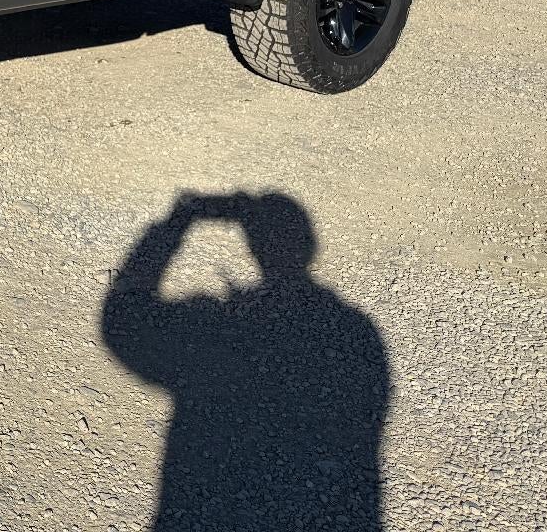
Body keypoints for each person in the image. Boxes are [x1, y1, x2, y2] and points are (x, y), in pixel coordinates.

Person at [101, 191, 390, 531]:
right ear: (309, 246)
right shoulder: (355, 335)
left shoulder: (218, 330)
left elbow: (123, 320)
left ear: (254, 248)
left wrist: (179, 221)